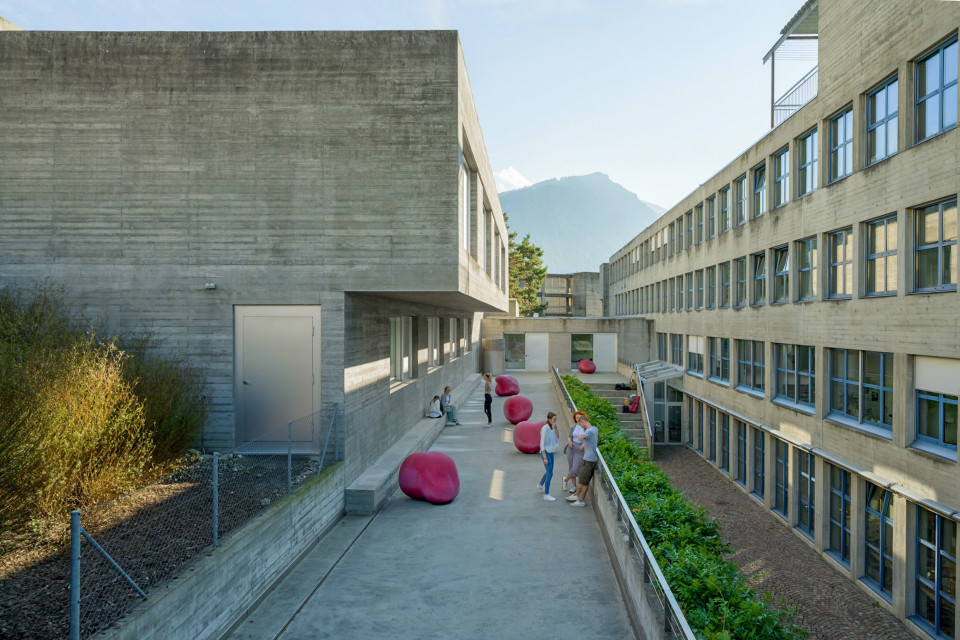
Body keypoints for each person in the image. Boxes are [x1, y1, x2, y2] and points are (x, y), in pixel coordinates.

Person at [566, 412, 598, 507]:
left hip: (589, 460)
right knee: (581, 478)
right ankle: (576, 495)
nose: (581, 426)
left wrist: (580, 433)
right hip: (586, 458)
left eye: (581, 424)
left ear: (583, 421)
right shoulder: (595, 428)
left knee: (584, 481)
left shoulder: (589, 431)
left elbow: (580, 437)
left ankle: (581, 500)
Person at [537, 412, 561, 501]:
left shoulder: (553, 428)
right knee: (550, 473)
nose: (555, 421)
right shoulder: (544, 429)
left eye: (556, 419)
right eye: (554, 419)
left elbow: (557, 438)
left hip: (551, 451)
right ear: (549, 419)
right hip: (546, 452)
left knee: (549, 471)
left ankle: (540, 484)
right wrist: (545, 457)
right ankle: (546, 494)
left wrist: (556, 429)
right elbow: (541, 444)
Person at [562, 411, 587, 493]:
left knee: (575, 469)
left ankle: (565, 479)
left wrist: (583, 444)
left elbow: (587, 438)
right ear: (575, 419)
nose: (578, 419)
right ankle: (574, 487)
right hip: (571, 448)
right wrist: (569, 441)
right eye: (577, 418)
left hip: (579, 449)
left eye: (580, 418)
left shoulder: (585, 427)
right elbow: (569, 436)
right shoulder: (573, 426)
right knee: (571, 468)